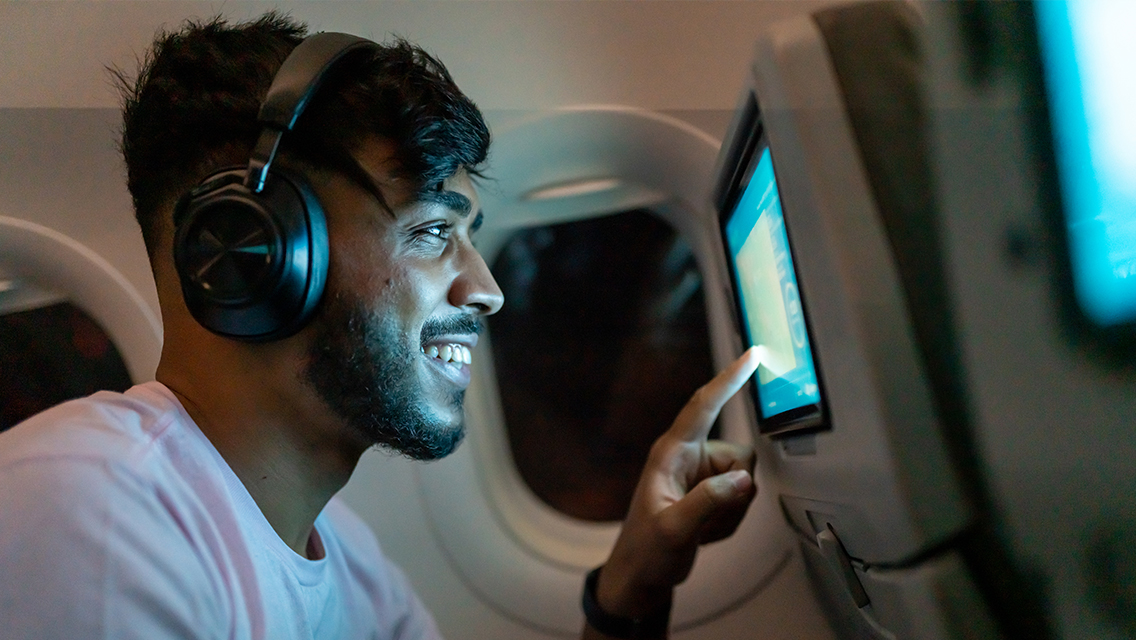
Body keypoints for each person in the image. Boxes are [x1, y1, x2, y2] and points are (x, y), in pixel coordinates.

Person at [0, 13, 760, 639]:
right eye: (433, 232)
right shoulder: (94, 511)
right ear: (252, 254)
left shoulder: (355, 570)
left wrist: (628, 588)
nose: (488, 290)